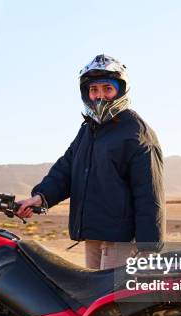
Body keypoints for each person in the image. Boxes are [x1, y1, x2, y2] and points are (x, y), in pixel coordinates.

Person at [17, 54, 165, 270]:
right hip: (95, 235)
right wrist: (40, 197)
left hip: (122, 240)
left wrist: (148, 247)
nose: (99, 96)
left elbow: (149, 194)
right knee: (94, 301)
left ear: (120, 90)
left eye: (107, 88)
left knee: (115, 301)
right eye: (94, 89)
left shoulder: (136, 133)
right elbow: (66, 170)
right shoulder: (88, 130)